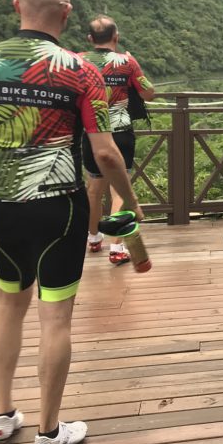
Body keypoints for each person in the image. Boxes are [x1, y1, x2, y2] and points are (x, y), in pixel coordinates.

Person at [0, 0, 141, 444]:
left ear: (16, 6)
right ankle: (49, 434)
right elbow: (105, 153)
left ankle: (1, 416)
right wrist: (129, 201)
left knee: (9, 303)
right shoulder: (79, 71)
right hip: (58, 205)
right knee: (56, 317)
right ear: (66, 14)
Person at [79, 16, 156, 264]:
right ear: (116, 37)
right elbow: (149, 93)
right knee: (119, 189)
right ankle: (117, 247)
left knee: (94, 189)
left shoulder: (78, 61)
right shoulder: (127, 62)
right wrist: (132, 64)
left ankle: (93, 238)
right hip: (121, 132)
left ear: (90, 38)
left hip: (92, 133)